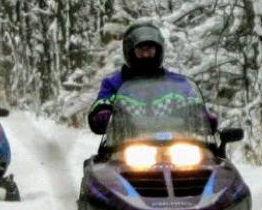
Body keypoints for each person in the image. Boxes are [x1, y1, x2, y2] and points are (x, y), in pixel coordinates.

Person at [88, 23, 216, 134]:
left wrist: (202, 115)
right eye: (140, 50)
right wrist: (102, 112)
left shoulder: (176, 83)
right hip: (125, 147)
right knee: (98, 162)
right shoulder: (114, 83)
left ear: (158, 51)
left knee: (211, 160)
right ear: (130, 52)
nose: (145, 55)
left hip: (174, 145)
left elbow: (191, 101)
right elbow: (103, 101)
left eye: (150, 50)